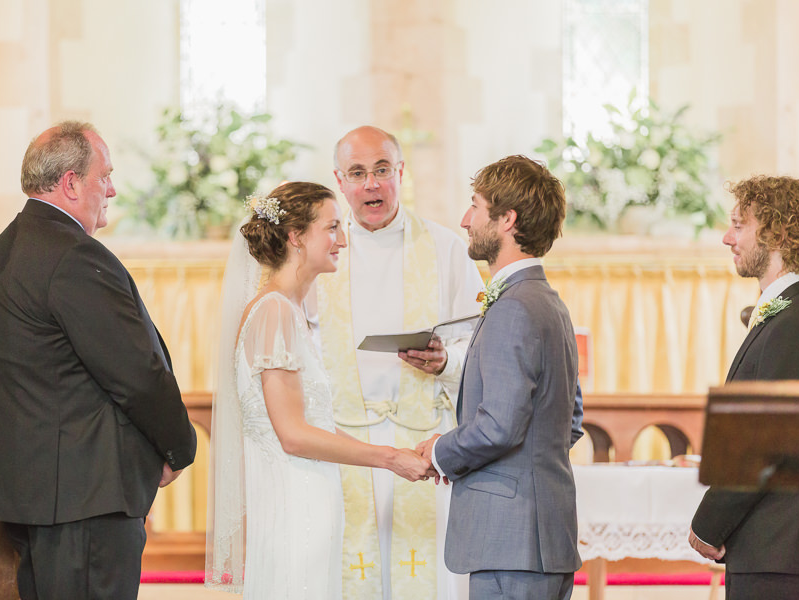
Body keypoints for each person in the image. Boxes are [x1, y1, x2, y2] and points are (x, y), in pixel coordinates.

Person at [0, 121, 198, 600]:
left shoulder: (7, 247)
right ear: (71, 183)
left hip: (42, 497)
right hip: (88, 501)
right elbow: (136, 373)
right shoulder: (73, 255)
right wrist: (178, 447)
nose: (112, 190)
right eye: (105, 176)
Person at [205, 182, 431, 599]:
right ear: (296, 236)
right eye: (332, 227)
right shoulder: (274, 311)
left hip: (310, 498)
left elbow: (315, 423)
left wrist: (394, 453)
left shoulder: (287, 309)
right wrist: (388, 458)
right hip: (295, 506)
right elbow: (293, 435)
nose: (342, 240)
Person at [310, 125, 484, 599]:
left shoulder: (446, 248)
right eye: (357, 173)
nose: (372, 184)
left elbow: (480, 344)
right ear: (339, 180)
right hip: (344, 445)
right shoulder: (318, 253)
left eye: (382, 170)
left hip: (421, 444)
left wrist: (445, 361)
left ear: (401, 173)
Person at [418, 155, 582, 600]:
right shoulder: (549, 302)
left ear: (507, 219)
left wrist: (440, 452)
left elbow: (499, 426)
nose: (465, 220)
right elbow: (570, 420)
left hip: (512, 544)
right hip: (540, 538)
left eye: (475, 206)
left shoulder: (513, 308)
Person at [688, 175, 799, 599]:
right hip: (769, 549)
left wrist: (708, 525)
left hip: (781, 551)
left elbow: (768, 440)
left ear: (778, 234)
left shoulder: (798, 321)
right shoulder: (786, 316)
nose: (727, 238)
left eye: (739, 225)